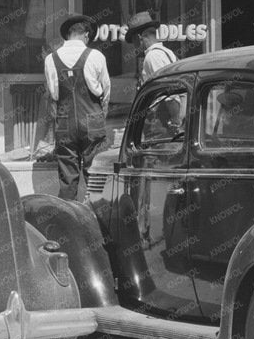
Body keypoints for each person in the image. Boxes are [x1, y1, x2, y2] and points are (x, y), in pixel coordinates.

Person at [42, 13, 111, 201]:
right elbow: (106, 91)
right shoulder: (96, 56)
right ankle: (98, 215)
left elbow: (53, 94)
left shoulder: (50, 59)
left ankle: (68, 216)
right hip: (92, 118)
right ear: (86, 35)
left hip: (64, 121)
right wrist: (101, 115)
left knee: (67, 178)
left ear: (68, 34)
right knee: (96, 176)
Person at [124, 10, 178, 85]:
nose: (134, 45)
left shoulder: (152, 56)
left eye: (133, 40)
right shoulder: (168, 52)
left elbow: (163, 88)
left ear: (138, 37)